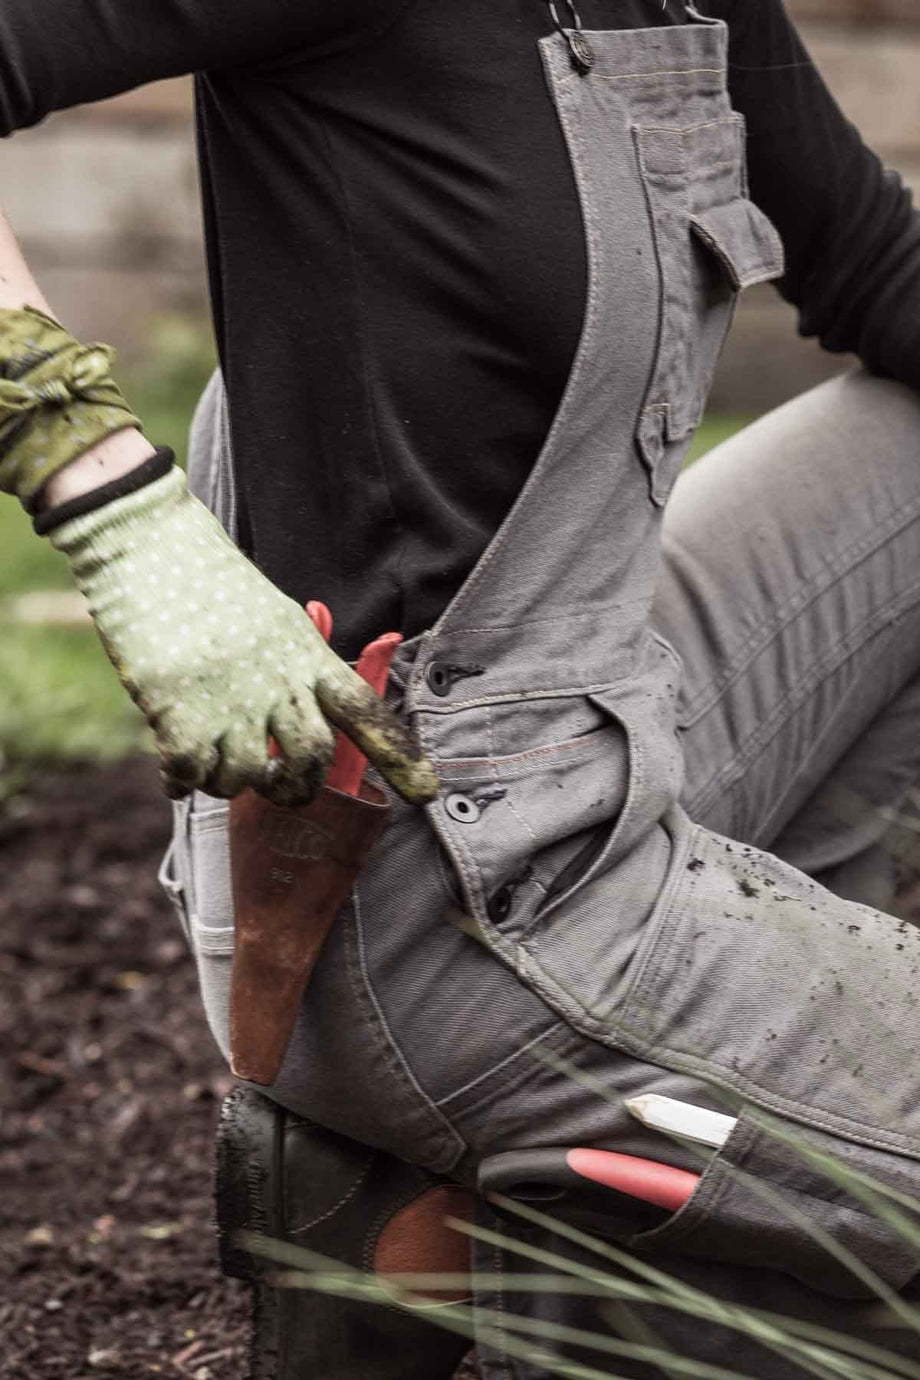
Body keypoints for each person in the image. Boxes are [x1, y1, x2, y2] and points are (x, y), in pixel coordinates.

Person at [4, 1, 920, 1375]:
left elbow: (877, 269)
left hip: (604, 708)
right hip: (437, 877)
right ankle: (594, 1201)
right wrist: (110, 500)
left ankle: (669, 1183)